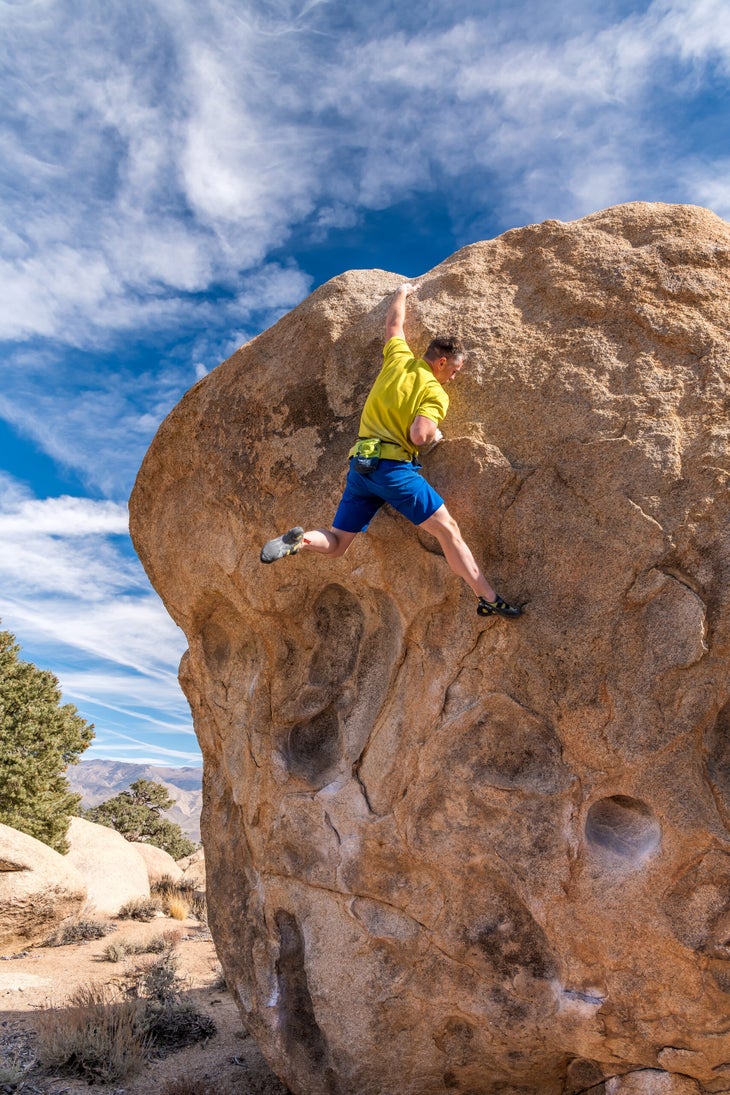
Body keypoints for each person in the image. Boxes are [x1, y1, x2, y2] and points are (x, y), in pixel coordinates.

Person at [260, 283, 521, 619]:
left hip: (361, 466)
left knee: (338, 543)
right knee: (448, 530)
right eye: (454, 371)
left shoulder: (398, 360)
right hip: (392, 469)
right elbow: (419, 434)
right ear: (441, 362)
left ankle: (302, 541)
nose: (453, 379)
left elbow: (393, 326)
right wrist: (433, 433)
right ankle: (488, 597)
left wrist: (402, 292)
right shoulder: (434, 392)